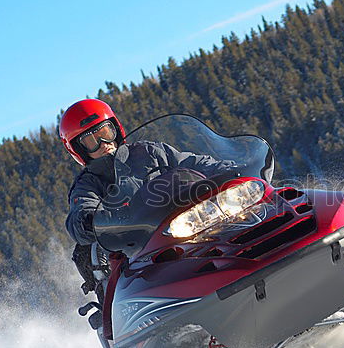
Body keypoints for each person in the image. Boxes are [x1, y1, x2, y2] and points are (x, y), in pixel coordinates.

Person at [58, 99, 236, 299]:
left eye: (105, 134)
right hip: (138, 252)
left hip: (188, 225)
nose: (103, 144)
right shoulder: (87, 184)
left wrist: (229, 169)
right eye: (91, 141)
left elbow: (192, 162)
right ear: (79, 150)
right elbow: (80, 210)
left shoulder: (150, 152)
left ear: (116, 129)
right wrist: (88, 221)